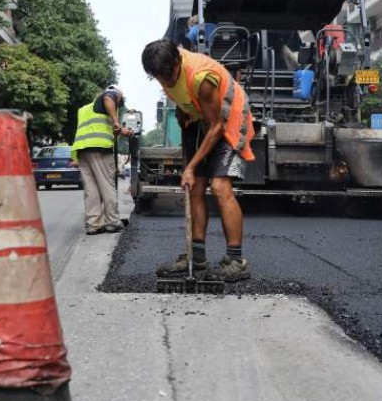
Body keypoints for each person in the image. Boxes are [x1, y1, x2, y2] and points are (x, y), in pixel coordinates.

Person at [141, 39, 255, 282]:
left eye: (167, 75)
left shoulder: (202, 78)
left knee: (220, 186)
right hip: (198, 117)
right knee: (195, 188)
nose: (165, 82)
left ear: (177, 63)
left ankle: (236, 260)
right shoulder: (164, 68)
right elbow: (184, 96)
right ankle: (197, 256)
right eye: (158, 78)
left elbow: (216, 127)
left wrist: (191, 167)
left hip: (227, 118)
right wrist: (184, 110)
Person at [72, 85, 133, 235]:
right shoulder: (110, 94)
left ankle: (93, 224)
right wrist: (116, 121)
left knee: (91, 190)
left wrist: (121, 131)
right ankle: (112, 222)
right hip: (99, 149)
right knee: (107, 186)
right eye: (121, 101)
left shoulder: (85, 109)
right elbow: (109, 97)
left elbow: (100, 128)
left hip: (82, 150)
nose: (119, 103)